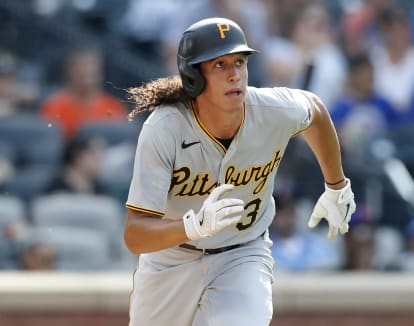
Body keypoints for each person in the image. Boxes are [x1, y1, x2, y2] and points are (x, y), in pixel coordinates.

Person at [123, 17, 356, 326]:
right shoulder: (164, 128)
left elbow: (314, 111)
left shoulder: (272, 109)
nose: (235, 75)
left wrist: (336, 185)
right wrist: (191, 227)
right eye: (220, 65)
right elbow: (135, 235)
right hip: (172, 257)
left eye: (240, 62)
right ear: (194, 77)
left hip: (242, 253)